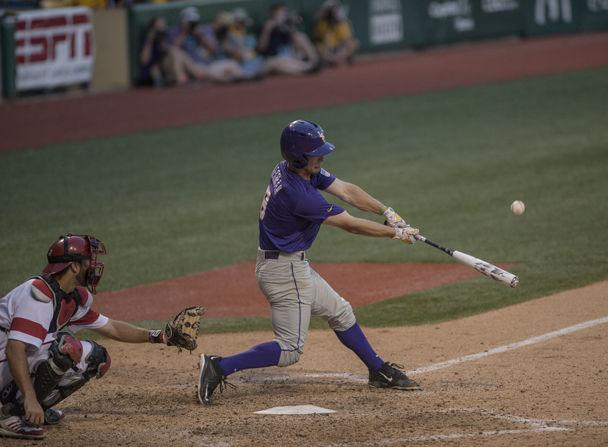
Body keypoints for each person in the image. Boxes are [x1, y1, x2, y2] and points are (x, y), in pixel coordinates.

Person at [198, 120, 421, 405]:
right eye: (317, 152)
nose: (322, 157)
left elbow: (347, 191)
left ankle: (378, 370)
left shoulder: (293, 169)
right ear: (300, 156)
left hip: (288, 266)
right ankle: (218, 367)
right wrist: (395, 233)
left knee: (340, 311)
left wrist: (387, 211)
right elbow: (350, 224)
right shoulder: (299, 196)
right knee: (290, 349)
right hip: (284, 271)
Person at [0, 234, 183, 440]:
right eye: (88, 261)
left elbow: (112, 327)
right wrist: (30, 398)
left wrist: (157, 336)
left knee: (96, 357)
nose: (93, 266)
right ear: (74, 267)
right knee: (65, 347)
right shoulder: (39, 295)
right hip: (6, 355)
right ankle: (10, 415)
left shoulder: (71, 298)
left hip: (7, 363)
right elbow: (14, 348)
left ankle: (30, 410)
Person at [167, 6, 242, 84]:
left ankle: (228, 78)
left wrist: (200, 36)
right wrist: (184, 32)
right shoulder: (175, 31)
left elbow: (213, 49)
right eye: (190, 22)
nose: (192, 25)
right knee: (176, 52)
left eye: (194, 22)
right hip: (192, 66)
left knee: (233, 65)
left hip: (209, 65)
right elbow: (173, 50)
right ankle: (183, 82)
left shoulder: (204, 29)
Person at [258, 3, 320, 75]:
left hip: (291, 56)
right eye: (279, 14)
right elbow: (261, 48)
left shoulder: (286, 26)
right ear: (273, 14)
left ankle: (315, 61)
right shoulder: (267, 26)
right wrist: (267, 30)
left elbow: (296, 41)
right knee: (275, 62)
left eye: (284, 13)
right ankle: (307, 68)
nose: (282, 16)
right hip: (273, 58)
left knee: (300, 36)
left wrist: (289, 27)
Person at [213, 8, 265, 80]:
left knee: (257, 61)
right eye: (241, 23)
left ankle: (246, 74)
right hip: (225, 63)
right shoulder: (225, 35)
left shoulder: (242, 36)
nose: (243, 27)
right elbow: (230, 51)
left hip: (240, 63)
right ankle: (244, 75)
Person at [313, 0, 359, 67]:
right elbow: (318, 39)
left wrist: (339, 52)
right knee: (318, 48)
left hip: (340, 49)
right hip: (327, 50)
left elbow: (347, 40)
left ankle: (335, 60)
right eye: (330, 11)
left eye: (334, 10)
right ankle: (333, 60)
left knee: (354, 43)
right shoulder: (321, 23)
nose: (332, 13)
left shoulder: (342, 23)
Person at [138, 16, 170, 87]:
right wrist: (150, 40)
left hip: (163, 68)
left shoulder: (165, 37)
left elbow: (167, 54)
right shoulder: (147, 39)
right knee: (154, 69)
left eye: (163, 24)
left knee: (168, 60)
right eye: (159, 25)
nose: (161, 27)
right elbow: (144, 60)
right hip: (149, 73)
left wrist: (162, 42)